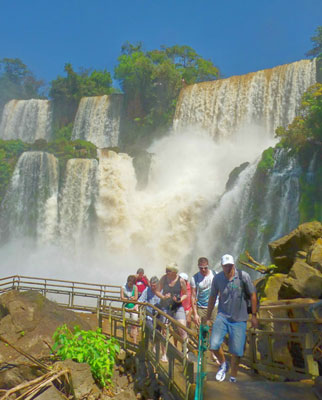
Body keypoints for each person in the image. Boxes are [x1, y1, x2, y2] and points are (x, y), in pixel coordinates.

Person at [206, 254, 258, 383]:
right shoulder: (217, 278)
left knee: (237, 352)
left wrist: (254, 316)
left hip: (239, 319)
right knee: (213, 345)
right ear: (222, 266)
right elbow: (212, 297)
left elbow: (253, 295)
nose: (228, 268)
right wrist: (207, 316)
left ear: (233, 264)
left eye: (230, 265)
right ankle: (224, 364)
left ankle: (233, 377)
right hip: (222, 316)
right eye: (225, 266)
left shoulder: (243, 276)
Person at [156, 263, 188, 362]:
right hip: (165, 306)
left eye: (168, 271)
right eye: (166, 270)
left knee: (182, 328)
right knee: (164, 330)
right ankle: (164, 354)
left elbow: (185, 294)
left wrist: (179, 300)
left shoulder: (181, 280)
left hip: (177, 306)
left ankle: (185, 352)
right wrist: (163, 297)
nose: (166, 273)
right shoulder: (164, 279)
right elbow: (157, 291)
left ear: (174, 272)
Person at [191, 257, 216, 326]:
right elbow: (193, 296)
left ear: (208, 265)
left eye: (205, 267)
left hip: (214, 307)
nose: (203, 270)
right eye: (201, 268)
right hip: (201, 308)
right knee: (201, 329)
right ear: (198, 266)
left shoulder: (215, 275)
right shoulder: (195, 278)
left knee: (214, 328)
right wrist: (195, 314)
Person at [121, 275, 139, 344]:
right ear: (127, 281)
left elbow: (136, 298)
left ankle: (134, 342)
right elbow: (122, 298)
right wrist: (129, 299)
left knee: (134, 325)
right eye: (130, 283)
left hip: (133, 307)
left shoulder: (135, 288)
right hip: (126, 307)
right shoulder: (123, 287)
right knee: (125, 324)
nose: (131, 285)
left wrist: (132, 298)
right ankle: (124, 340)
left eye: (132, 283)